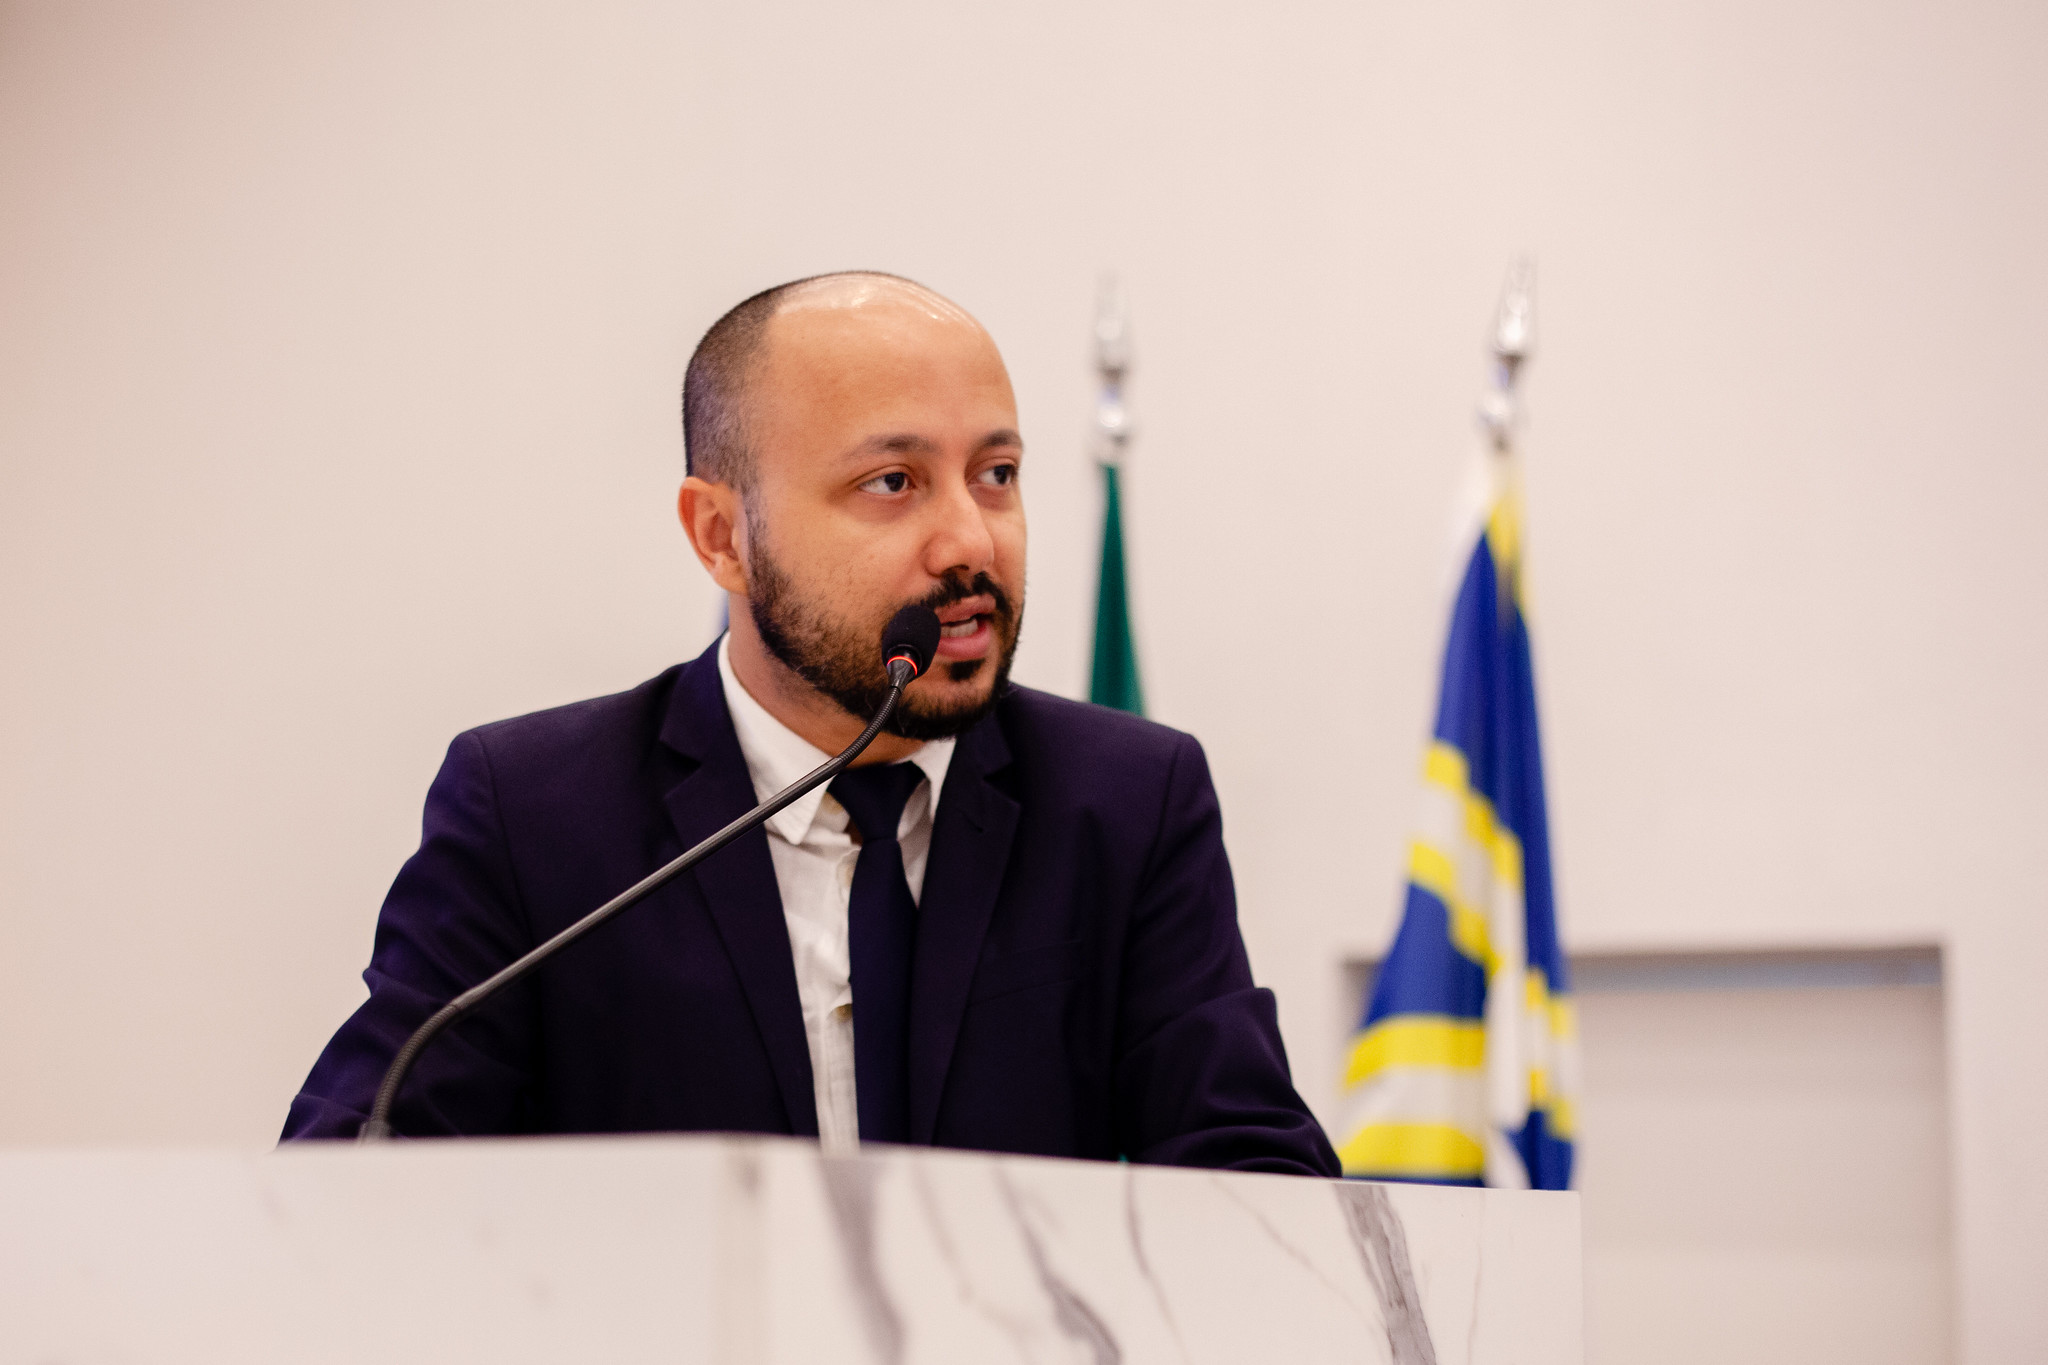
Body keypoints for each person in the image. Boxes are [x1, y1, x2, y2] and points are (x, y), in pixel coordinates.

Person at [283, 272, 1338, 1176]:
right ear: (720, 536)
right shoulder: (536, 812)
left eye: (997, 476)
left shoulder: (1122, 801)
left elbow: (1253, 1186)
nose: (969, 542)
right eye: (893, 483)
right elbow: (362, 1176)